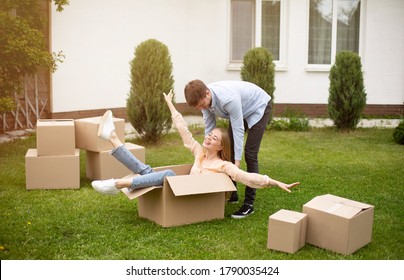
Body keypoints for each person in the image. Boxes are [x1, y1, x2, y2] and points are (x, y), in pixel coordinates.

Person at [92, 92, 299, 201]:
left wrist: (273, 182)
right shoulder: (200, 152)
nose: (208, 137)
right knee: (149, 172)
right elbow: (184, 130)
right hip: (178, 191)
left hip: (191, 197)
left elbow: (246, 177)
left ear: (220, 147)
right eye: (210, 134)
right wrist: (170, 104)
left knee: (168, 174)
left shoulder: (223, 166)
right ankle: (112, 137)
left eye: (214, 138)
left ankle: (117, 184)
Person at [184, 79, 272, 218]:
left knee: (250, 153)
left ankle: (249, 204)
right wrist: (206, 152)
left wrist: (236, 162)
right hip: (241, 109)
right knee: (226, 149)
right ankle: (232, 193)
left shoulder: (228, 99)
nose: (202, 109)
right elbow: (210, 128)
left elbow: (238, 130)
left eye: (202, 105)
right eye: (198, 107)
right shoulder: (205, 102)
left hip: (258, 106)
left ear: (207, 93)